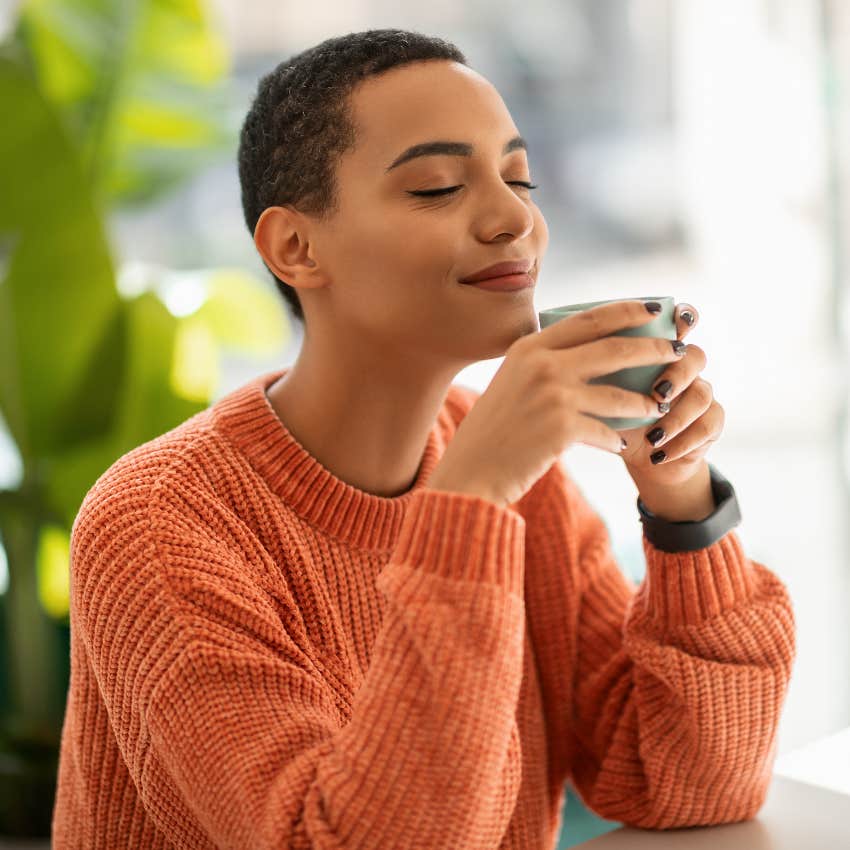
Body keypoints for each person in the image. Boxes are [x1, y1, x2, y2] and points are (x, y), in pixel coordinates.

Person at [52, 28, 796, 849]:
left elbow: (689, 784)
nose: (516, 217)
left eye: (521, 176)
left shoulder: (521, 481)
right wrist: (468, 504)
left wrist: (681, 499)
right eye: (439, 187)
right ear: (295, 248)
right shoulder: (159, 524)